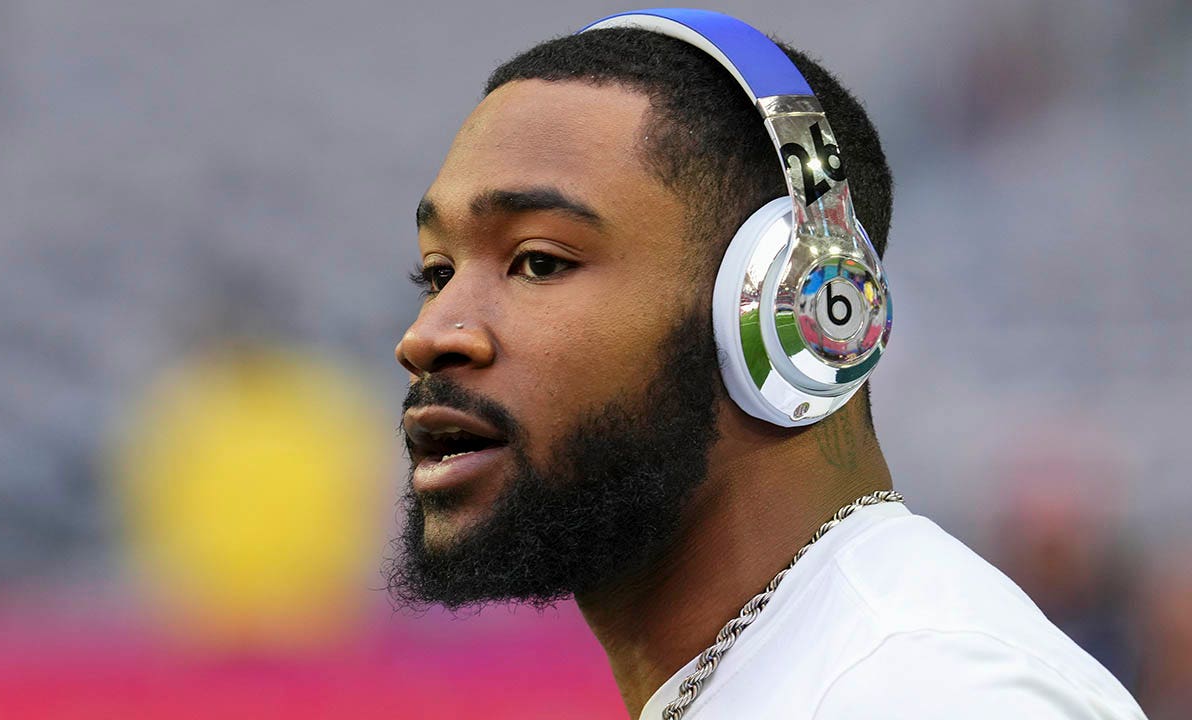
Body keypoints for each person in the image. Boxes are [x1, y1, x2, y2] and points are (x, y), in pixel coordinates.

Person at [388, 9, 1147, 719]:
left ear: (799, 310)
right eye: (437, 273)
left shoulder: (927, 688)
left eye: (539, 262)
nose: (428, 335)